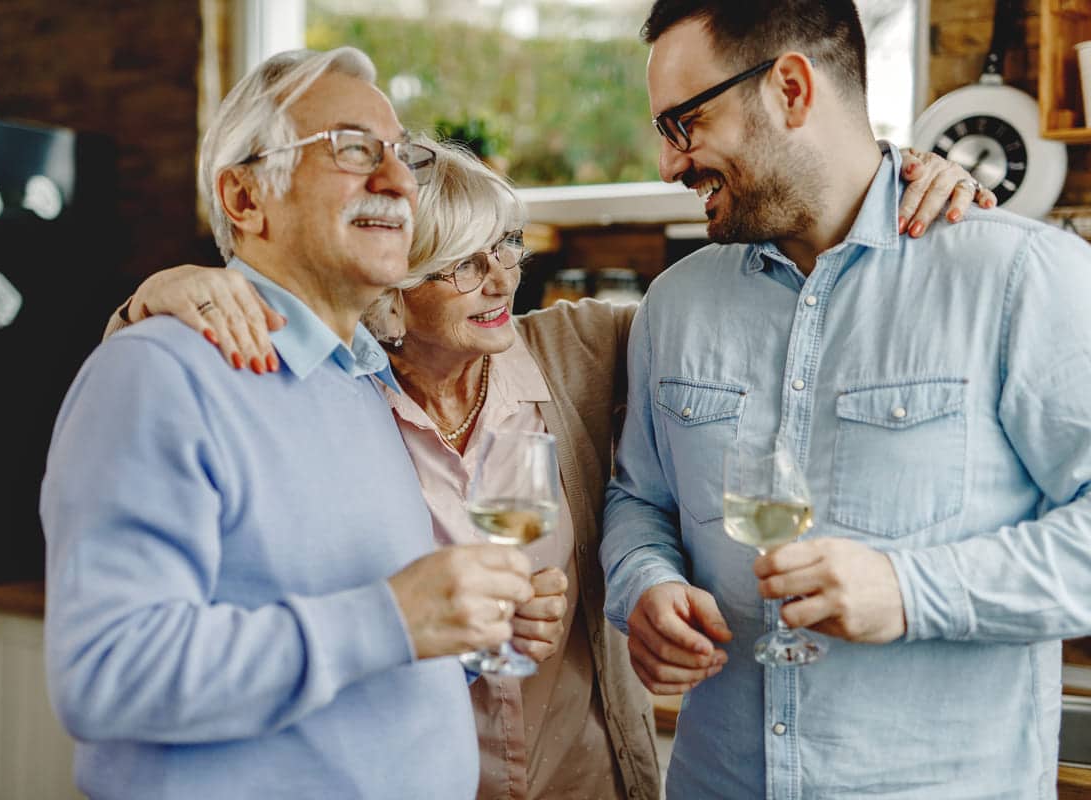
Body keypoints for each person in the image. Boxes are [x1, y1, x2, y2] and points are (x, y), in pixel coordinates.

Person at [108, 144, 985, 800]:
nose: (503, 279)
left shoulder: (582, 350)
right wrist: (163, 291)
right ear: (389, 282)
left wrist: (882, 181)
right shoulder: (328, 395)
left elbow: (757, 316)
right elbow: (160, 413)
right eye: (460, 263)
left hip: (586, 776)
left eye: (508, 246)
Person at [600, 1, 1091, 797]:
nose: (668, 164)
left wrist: (907, 592)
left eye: (685, 123)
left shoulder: (1020, 280)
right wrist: (644, 582)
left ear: (791, 89)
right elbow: (638, 499)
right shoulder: (674, 305)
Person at [41, 47, 539, 800]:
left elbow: (353, 638)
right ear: (244, 199)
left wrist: (460, 636)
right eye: (352, 149)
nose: (400, 180)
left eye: (400, 154)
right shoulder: (156, 374)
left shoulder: (362, 382)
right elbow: (108, 673)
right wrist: (395, 618)